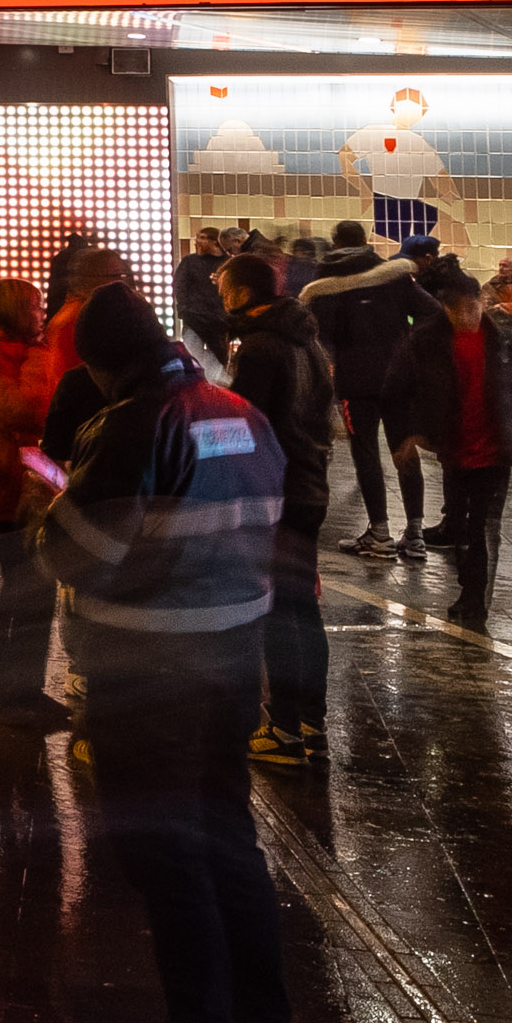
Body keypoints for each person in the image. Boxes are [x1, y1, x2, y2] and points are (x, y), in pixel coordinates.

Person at [44, 279, 300, 1023]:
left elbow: (77, 551)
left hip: (147, 676)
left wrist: (56, 495)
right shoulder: (240, 413)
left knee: (172, 873)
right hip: (232, 666)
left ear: (102, 363)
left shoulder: (133, 425)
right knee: (233, 858)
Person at [215, 249, 337, 770]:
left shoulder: (263, 348)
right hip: (309, 486)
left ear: (243, 294)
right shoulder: (306, 342)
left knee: (280, 611)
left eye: (224, 290)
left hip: (278, 492)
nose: (220, 300)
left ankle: (284, 728)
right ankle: (311, 722)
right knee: (303, 610)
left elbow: (247, 426)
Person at [388, 252, 512, 629]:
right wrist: (407, 437)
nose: (468, 317)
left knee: (484, 527)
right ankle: (469, 589)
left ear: (482, 303)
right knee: (462, 528)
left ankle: (475, 597)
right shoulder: (426, 342)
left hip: (495, 451)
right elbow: (398, 390)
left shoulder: (505, 343)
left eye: (473, 307)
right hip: (453, 450)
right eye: (459, 310)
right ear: (446, 308)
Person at [0, 277, 72, 728]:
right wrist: (42, 356)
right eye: (35, 307)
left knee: (29, 587)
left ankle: (16, 690)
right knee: (27, 586)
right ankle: (7, 692)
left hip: (19, 480)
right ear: (15, 312)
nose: (41, 315)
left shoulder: (9, 352)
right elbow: (26, 408)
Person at [305, 229, 438, 566]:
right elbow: (434, 312)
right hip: (400, 379)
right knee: (405, 451)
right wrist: (408, 346)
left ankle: (379, 533)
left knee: (366, 454)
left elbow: (323, 336)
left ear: (335, 243)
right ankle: (416, 533)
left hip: (356, 382)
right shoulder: (393, 277)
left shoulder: (329, 284)